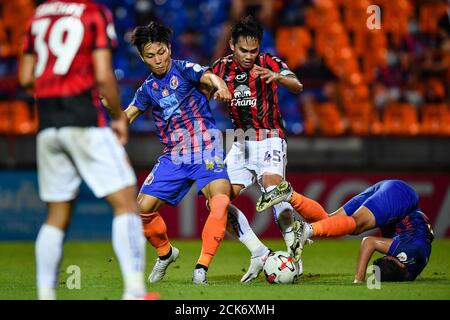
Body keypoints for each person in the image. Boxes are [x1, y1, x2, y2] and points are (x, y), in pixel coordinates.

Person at [19, 0, 146, 299]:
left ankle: (45, 294)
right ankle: (135, 291)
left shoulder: (37, 16)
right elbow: (103, 75)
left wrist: (54, 95)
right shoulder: (93, 12)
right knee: (126, 201)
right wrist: (117, 117)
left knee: (57, 215)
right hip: (84, 120)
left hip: (48, 124)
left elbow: (25, 77)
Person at [210, 15, 328, 282]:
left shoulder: (269, 62)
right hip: (240, 141)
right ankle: (258, 252)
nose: (250, 56)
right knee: (215, 201)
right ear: (232, 45)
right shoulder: (220, 69)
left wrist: (278, 77)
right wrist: (214, 90)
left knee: (275, 192)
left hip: (270, 138)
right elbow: (203, 88)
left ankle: (294, 260)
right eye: (244, 50)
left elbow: (296, 84)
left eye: (254, 50)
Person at [123, 21, 232, 285]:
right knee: (140, 211)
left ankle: (201, 268)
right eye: (150, 56)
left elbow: (208, 76)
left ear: (169, 48)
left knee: (220, 201)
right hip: (175, 155)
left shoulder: (184, 69)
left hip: (206, 148)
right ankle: (166, 253)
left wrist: (221, 86)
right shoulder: (147, 90)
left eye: (161, 52)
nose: (158, 60)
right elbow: (128, 115)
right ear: (142, 57)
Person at [290, 179, 434, 282]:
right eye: (388, 256)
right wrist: (359, 279)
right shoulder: (410, 254)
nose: (388, 253)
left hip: (396, 195)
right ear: (402, 264)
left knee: (330, 221)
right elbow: (369, 242)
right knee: (357, 225)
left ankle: (289, 195)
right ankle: (307, 231)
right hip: (400, 196)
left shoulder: (405, 268)